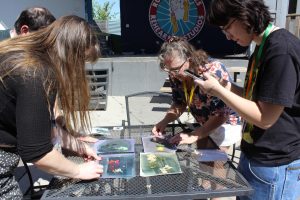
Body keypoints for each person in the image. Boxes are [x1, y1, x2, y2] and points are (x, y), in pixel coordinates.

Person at [195, 0, 300, 199]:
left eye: (227, 27)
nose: (227, 35)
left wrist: (219, 91)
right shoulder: (261, 48)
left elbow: (264, 118)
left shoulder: (280, 50)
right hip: (255, 156)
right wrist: (225, 85)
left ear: (245, 16)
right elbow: (255, 98)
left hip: (274, 164)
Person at [0, 15, 103, 199]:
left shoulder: (27, 56)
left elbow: (45, 129)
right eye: (81, 61)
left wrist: (79, 146)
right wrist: (78, 171)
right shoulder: (34, 74)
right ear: (68, 53)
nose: (80, 69)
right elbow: (38, 153)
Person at [152, 36, 242, 154]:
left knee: (212, 164)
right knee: (203, 162)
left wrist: (194, 135)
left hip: (225, 124)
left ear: (189, 59)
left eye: (176, 69)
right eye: (168, 70)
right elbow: (179, 103)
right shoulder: (176, 74)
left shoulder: (212, 71)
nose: (173, 75)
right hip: (203, 122)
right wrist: (164, 122)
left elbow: (221, 115)